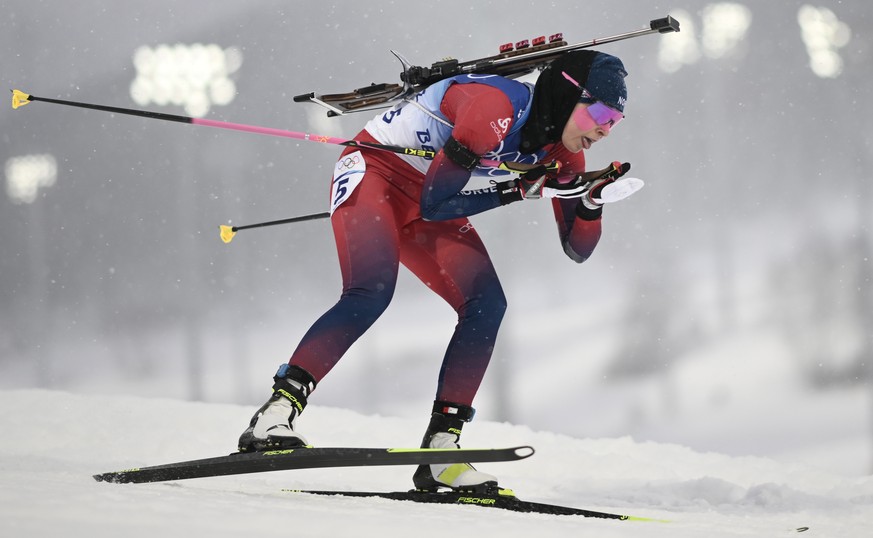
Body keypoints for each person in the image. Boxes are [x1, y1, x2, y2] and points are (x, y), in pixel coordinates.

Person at [238, 50, 638, 492]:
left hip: (434, 193)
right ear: (567, 95)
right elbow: (436, 204)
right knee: (370, 291)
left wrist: (591, 202)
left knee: (487, 304)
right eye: (600, 111)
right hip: (377, 172)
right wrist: (517, 190)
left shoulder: (565, 153)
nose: (604, 128)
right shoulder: (493, 107)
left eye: (615, 121)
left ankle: (442, 453)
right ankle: (274, 416)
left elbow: (576, 249)